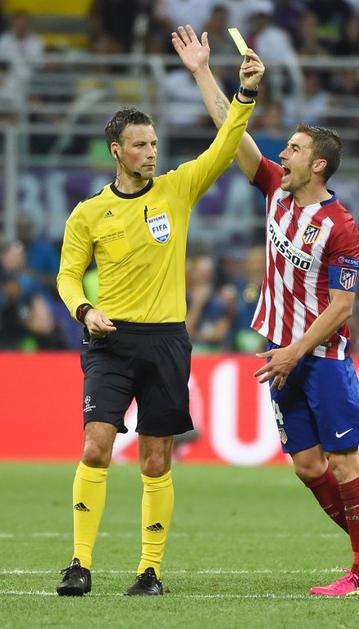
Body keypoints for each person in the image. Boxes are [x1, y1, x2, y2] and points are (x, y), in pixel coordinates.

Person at [173, 24, 359, 597]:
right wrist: (204, 72)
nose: (282, 154)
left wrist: (296, 351)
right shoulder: (274, 188)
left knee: (344, 465)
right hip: (283, 352)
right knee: (307, 467)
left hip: (321, 358)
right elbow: (232, 133)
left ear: (318, 166)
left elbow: (343, 306)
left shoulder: (340, 227)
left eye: (294, 149)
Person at [55, 44, 264, 596]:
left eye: (153, 143)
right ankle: (79, 564)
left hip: (167, 341)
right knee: (95, 446)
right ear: (116, 151)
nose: (151, 152)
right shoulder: (88, 214)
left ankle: (149, 572)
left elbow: (225, 145)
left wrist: (243, 92)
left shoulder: (177, 189)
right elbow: (67, 277)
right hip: (110, 340)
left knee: (155, 459)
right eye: (140, 145)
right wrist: (85, 310)